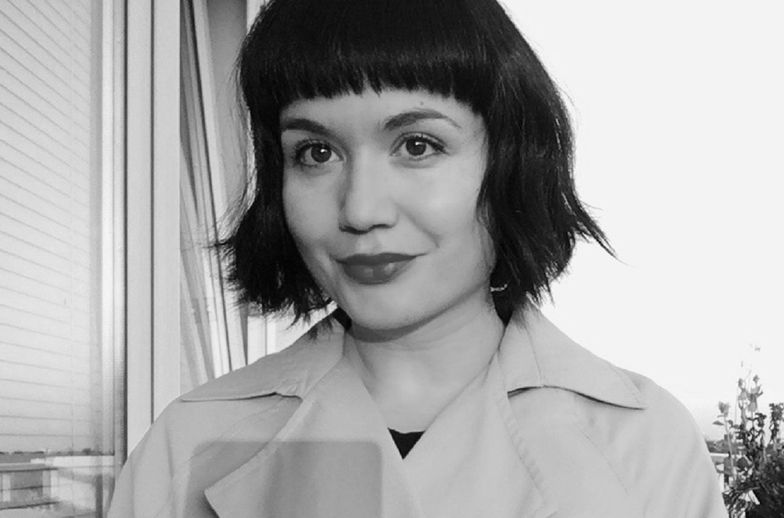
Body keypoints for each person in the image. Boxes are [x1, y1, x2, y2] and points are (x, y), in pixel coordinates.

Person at [108, 0, 728, 517]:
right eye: (316, 153)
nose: (360, 209)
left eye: (417, 144)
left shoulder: (646, 446)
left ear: (510, 162)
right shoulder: (186, 444)